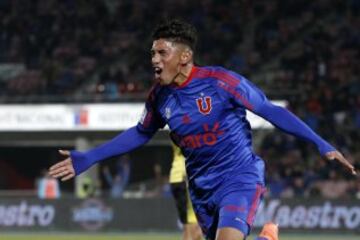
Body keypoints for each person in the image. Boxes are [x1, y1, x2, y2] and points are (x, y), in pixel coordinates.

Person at [48, 19, 356, 240]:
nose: (154, 60)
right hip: (200, 187)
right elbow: (141, 133)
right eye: (152, 54)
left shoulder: (221, 82)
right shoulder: (159, 96)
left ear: (184, 57)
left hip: (239, 175)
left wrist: (320, 142)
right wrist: (91, 157)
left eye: (161, 53)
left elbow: (270, 110)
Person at [170, 144, 202, 240]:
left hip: (175, 177)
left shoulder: (175, 133)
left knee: (187, 223)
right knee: (192, 221)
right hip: (186, 176)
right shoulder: (192, 135)